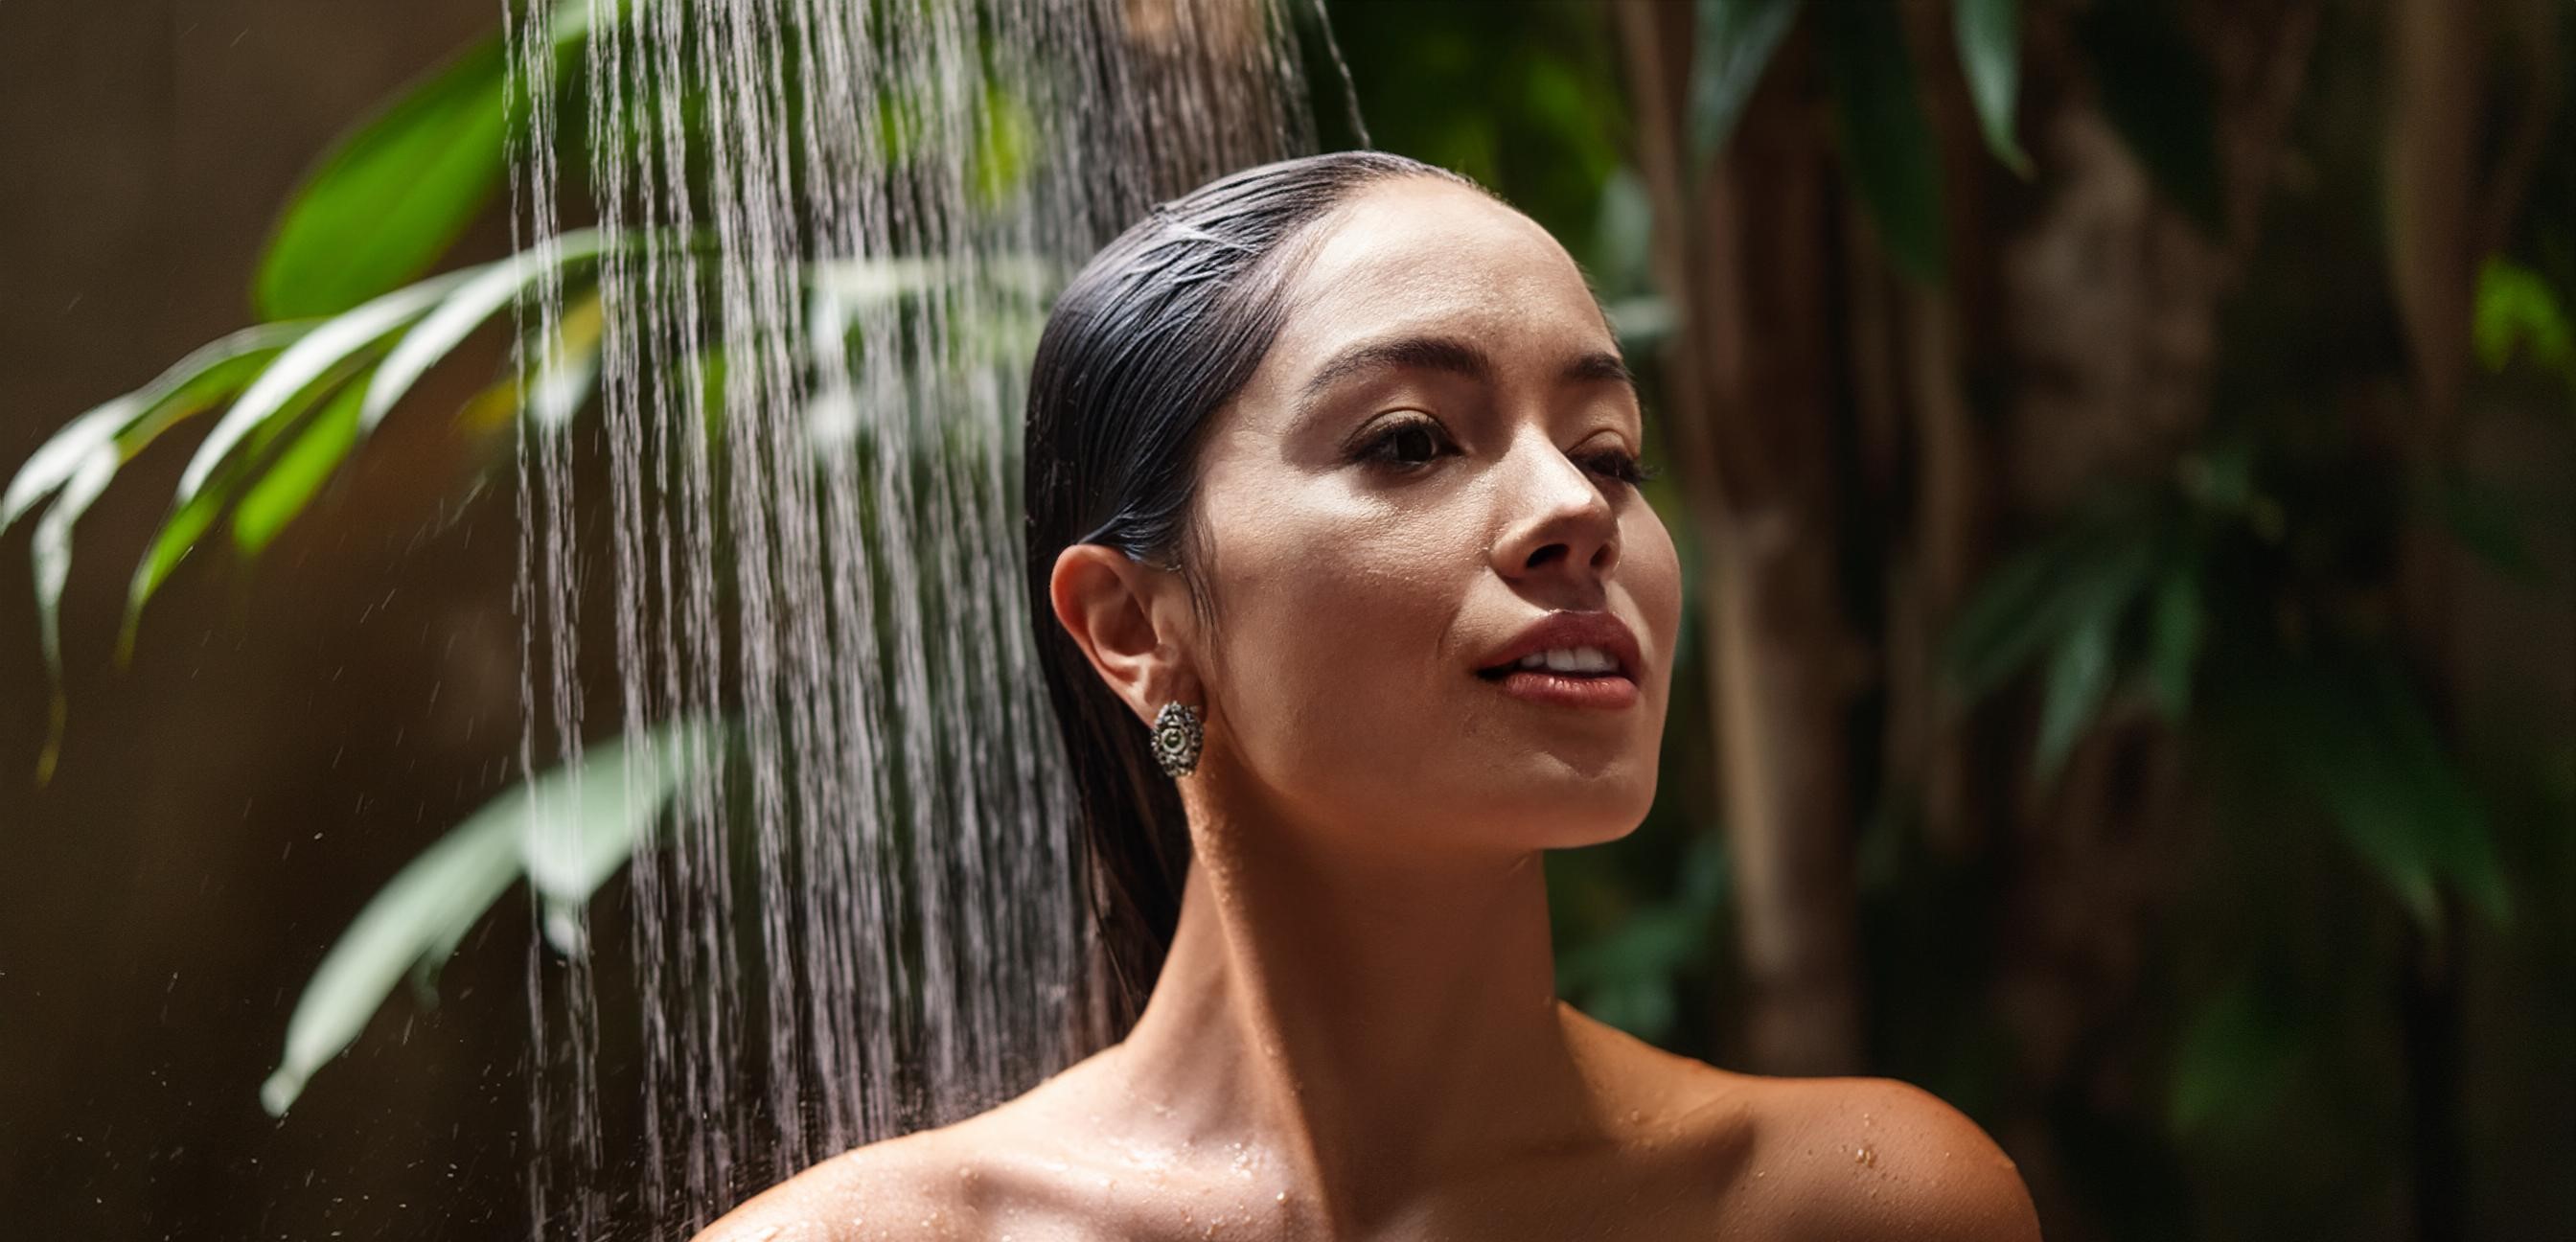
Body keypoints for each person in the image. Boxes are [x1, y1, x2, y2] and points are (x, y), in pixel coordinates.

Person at [701, 151, 2041, 1240]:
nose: (1578, 508)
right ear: (1133, 627)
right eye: (1411, 440)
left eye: (1610, 452)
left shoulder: (1855, 1208)